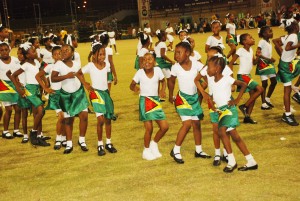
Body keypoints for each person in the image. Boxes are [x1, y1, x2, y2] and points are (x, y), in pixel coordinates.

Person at [196, 53, 258, 173]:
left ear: (217, 69)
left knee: (221, 131)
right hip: (220, 111)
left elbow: (243, 84)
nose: (207, 70)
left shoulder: (226, 79)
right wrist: (211, 102)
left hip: (229, 110)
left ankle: (231, 161)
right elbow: (213, 94)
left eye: (209, 67)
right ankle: (251, 161)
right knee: (235, 136)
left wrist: (237, 100)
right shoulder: (212, 80)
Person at [168, 42, 211, 164]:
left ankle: (198, 150)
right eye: (175, 53)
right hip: (182, 100)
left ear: (187, 53)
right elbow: (171, 81)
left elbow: (207, 76)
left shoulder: (197, 64)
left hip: (194, 99)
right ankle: (175, 150)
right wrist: (171, 95)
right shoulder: (175, 67)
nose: (176, 55)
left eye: (178, 52)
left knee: (196, 124)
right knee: (187, 124)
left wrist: (204, 88)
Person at [77, 43, 118, 156]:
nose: (102, 57)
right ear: (94, 55)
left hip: (105, 93)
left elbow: (107, 77)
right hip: (95, 94)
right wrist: (85, 84)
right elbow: (78, 73)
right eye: (100, 54)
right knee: (100, 120)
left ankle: (108, 143)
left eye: (103, 54)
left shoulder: (107, 65)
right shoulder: (90, 65)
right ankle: (100, 144)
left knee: (108, 119)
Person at [195, 46, 232, 166]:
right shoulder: (206, 68)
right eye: (207, 57)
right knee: (215, 129)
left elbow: (232, 84)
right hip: (213, 103)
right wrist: (204, 93)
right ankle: (217, 153)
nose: (208, 59)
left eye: (211, 57)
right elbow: (196, 80)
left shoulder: (225, 69)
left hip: (225, 103)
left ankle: (226, 153)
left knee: (226, 129)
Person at [51, 44, 89, 154]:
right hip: (66, 95)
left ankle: (82, 140)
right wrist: (66, 76)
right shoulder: (58, 64)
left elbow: (80, 75)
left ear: (72, 53)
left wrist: (85, 84)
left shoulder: (76, 63)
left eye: (66, 50)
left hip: (79, 93)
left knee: (84, 116)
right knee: (68, 120)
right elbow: (53, 78)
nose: (63, 52)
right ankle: (69, 143)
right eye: (62, 51)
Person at [130, 53, 169, 160]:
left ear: (154, 61)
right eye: (144, 60)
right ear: (142, 63)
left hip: (155, 101)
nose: (147, 61)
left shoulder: (157, 70)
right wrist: (135, 89)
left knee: (164, 127)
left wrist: (162, 90)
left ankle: (154, 143)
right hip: (144, 101)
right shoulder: (140, 73)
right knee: (149, 128)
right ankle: (146, 150)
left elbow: (163, 81)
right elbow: (131, 85)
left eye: (150, 59)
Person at [11, 42, 50, 146]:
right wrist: (19, 89)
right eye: (33, 51)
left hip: (37, 89)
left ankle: (39, 136)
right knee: (41, 110)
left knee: (38, 113)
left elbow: (40, 74)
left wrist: (45, 85)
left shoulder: (36, 63)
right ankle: (33, 132)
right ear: (27, 55)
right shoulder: (26, 65)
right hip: (30, 90)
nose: (35, 52)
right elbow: (14, 76)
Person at [35, 46, 66, 150]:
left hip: (65, 94)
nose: (58, 56)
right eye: (55, 54)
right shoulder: (50, 66)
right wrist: (46, 88)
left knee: (66, 117)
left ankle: (63, 137)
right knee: (61, 116)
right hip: (55, 95)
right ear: (52, 56)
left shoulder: (66, 66)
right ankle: (58, 139)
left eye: (60, 53)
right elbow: (38, 76)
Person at [229, 33, 264, 124]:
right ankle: (244, 106)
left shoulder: (251, 50)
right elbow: (230, 63)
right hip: (243, 76)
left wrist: (258, 56)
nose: (253, 39)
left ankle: (247, 117)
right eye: (250, 38)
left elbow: (254, 63)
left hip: (248, 75)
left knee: (253, 96)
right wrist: (232, 80)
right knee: (260, 89)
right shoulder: (240, 50)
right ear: (244, 41)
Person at [273, 19, 300, 126]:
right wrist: (298, 46)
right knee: (287, 90)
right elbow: (288, 48)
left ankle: (296, 89)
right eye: (296, 24)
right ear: (294, 27)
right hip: (285, 65)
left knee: (287, 89)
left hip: (286, 63)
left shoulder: (289, 35)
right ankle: (287, 115)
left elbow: (277, 42)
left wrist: (282, 53)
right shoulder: (293, 35)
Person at [6, 47, 31, 143]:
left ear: (26, 54)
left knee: (37, 112)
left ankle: (38, 134)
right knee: (24, 113)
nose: (19, 56)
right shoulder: (17, 66)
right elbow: (9, 74)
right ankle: (25, 135)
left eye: (21, 54)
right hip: (23, 91)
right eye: (17, 54)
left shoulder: (31, 64)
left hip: (32, 90)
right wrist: (16, 82)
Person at [0, 43, 22, 139]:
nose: (4, 52)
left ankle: (16, 130)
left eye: (6, 49)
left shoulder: (15, 60)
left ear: (9, 50)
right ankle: (5, 131)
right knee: (8, 109)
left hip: (14, 84)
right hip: (3, 85)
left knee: (18, 108)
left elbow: (18, 72)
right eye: (1, 50)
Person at [255, 26, 277, 110]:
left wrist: (270, 59)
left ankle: (267, 99)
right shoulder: (262, 42)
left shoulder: (269, 41)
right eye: (269, 31)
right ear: (264, 34)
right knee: (264, 83)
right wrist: (269, 59)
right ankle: (263, 103)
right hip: (263, 64)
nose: (271, 32)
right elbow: (258, 54)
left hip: (269, 63)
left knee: (274, 81)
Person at [154, 30, 175, 101]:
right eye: (165, 36)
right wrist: (171, 61)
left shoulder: (157, 43)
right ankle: (170, 96)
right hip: (161, 62)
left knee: (158, 80)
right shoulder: (162, 43)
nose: (166, 37)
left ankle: (157, 97)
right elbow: (162, 55)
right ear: (162, 37)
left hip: (156, 62)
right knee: (169, 78)